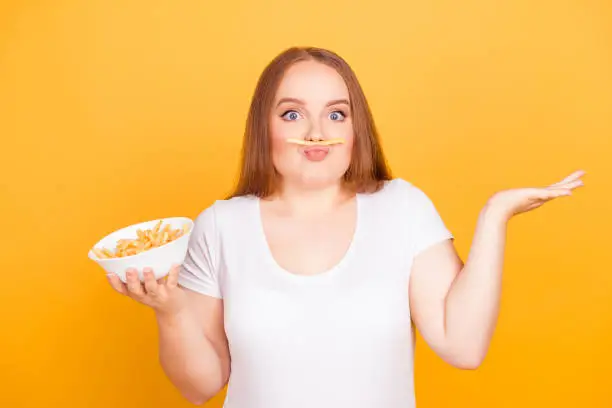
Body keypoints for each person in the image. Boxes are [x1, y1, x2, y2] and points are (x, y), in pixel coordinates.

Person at [106, 47, 585, 407]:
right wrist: (170, 312)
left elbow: (462, 346)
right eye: (292, 113)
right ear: (264, 127)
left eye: (336, 113)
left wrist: (495, 216)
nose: (316, 131)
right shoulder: (220, 226)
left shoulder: (402, 208)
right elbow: (201, 385)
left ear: (356, 130)